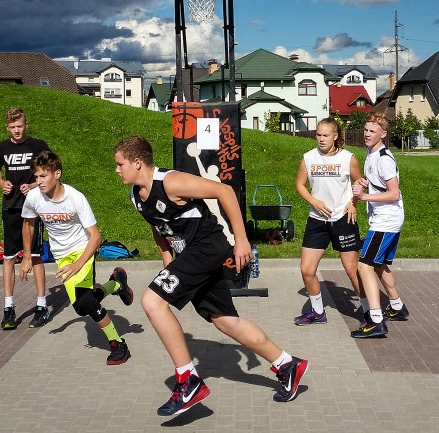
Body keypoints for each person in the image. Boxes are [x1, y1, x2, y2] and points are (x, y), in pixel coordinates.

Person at [114, 135, 309, 417]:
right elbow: (158, 227)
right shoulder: (136, 195)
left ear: (136, 162)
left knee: (152, 302)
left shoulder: (171, 182)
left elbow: (225, 191)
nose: (117, 170)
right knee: (226, 321)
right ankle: (287, 364)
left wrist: (241, 240)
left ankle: (188, 380)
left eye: (120, 164)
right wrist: (167, 261)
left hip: (207, 247)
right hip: (192, 255)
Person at [21, 150, 133, 365]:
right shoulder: (34, 197)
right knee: (81, 308)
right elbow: (28, 223)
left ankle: (118, 345)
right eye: (36, 177)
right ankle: (115, 284)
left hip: (82, 251)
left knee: (85, 302)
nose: (39, 181)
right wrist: (27, 256)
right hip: (62, 256)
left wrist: (78, 263)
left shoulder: (75, 198)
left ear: (57, 174)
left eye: (43, 176)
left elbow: (96, 236)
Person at [293, 117, 366, 325]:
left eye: (326, 135)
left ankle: (368, 310)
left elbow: (359, 184)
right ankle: (317, 312)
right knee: (307, 270)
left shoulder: (348, 158)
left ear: (335, 136)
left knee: (352, 270)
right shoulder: (308, 158)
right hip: (317, 220)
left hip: (343, 218)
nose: (321, 139)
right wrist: (314, 201)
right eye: (318, 135)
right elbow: (299, 185)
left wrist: (353, 204)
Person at [350, 113, 409, 339]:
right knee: (379, 265)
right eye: (365, 130)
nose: (367, 134)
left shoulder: (384, 158)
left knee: (364, 266)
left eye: (372, 131)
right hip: (385, 219)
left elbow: (394, 193)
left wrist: (364, 197)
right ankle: (396, 306)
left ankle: (375, 321)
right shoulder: (370, 153)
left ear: (383, 134)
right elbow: (380, 184)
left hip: (386, 220)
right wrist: (367, 183)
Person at [0, 108, 51, 330]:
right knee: (8, 256)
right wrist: (1, 183)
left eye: (20, 126)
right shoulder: (2, 148)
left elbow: (50, 168)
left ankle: (41, 306)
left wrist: (35, 184)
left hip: (34, 207)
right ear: (7, 127)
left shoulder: (37, 145)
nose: (17, 130)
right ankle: (8, 308)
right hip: (10, 207)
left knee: (35, 255)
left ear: (26, 125)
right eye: (12, 127)